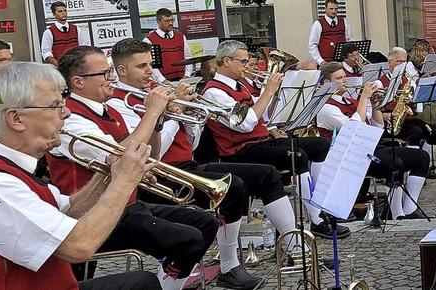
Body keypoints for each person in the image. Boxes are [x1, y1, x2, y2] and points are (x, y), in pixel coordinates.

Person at [107, 38, 298, 289]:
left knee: (248, 180)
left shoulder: (151, 93)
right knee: (234, 187)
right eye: (141, 66)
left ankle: (245, 260)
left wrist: (187, 115)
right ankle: (224, 266)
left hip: (184, 164)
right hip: (156, 175)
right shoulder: (118, 103)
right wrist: (167, 113)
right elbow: (153, 153)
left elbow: (192, 143)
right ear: (122, 71)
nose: (150, 72)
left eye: (150, 65)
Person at [49, 46, 218, 290]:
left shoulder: (111, 110)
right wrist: (153, 111)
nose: (111, 79)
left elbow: (152, 154)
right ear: (78, 82)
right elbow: (120, 156)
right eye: (105, 74)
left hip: (126, 205)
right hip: (93, 215)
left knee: (205, 223)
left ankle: (166, 284)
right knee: (187, 239)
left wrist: (158, 121)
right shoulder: (71, 119)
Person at [0, 62, 161, 290]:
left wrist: (108, 174)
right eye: (55, 106)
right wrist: (125, 182)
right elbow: (79, 246)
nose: (66, 112)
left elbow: (67, 210)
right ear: (16, 118)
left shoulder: (5, 165)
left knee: (142, 282)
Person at [202, 40, 351, 239]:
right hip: (240, 150)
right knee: (297, 155)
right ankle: (316, 219)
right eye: (244, 62)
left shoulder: (241, 86)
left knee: (319, 145)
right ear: (227, 61)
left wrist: (281, 93)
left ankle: (321, 203)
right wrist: (269, 91)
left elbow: (266, 116)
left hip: (259, 141)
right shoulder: (214, 92)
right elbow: (245, 124)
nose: (247, 66)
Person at [316, 62, 430, 219]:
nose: (345, 80)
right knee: (394, 163)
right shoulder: (326, 108)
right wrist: (364, 98)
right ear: (327, 83)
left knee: (421, 157)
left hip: (367, 150)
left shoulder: (351, 102)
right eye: (339, 78)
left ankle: (410, 209)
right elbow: (354, 127)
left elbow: (376, 129)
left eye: (344, 76)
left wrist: (375, 105)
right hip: (349, 159)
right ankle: (397, 213)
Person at [372, 47, 436, 179]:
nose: (402, 65)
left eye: (404, 62)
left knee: (435, 132)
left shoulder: (408, 81)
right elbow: (371, 109)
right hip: (390, 120)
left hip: (408, 117)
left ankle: (425, 167)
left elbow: (418, 108)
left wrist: (413, 102)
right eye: (399, 62)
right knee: (416, 132)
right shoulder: (379, 83)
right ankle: (412, 168)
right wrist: (383, 115)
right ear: (390, 62)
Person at [144, 8, 194, 83]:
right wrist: (162, 80)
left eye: (172, 20)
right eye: (166, 21)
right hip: (162, 84)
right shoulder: (150, 40)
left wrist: (187, 76)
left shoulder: (180, 36)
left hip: (183, 80)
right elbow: (152, 65)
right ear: (158, 22)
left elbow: (188, 58)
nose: (170, 23)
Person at [40, 1, 90, 66]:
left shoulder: (76, 29)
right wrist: (59, 66)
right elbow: (46, 53)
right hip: (59, 68)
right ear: (54, 14)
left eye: (65, 11)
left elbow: (83, 48)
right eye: (60, 11)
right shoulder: (49, 32)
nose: (64, 13)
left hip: (76, 66)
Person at [308, 0, 353, 65]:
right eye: (331, 9)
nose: (334, 11)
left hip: (343, 62)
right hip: (326, 63)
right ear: (325, 9)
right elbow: (312, 45)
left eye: (336, 9)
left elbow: (349, 40)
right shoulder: (318, 24)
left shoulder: (344, 22)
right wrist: (320, 61)